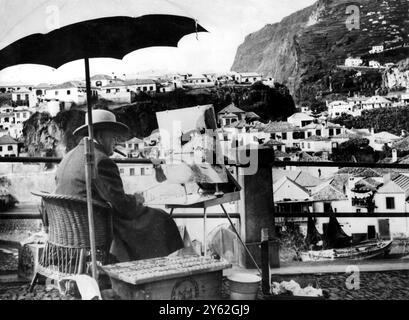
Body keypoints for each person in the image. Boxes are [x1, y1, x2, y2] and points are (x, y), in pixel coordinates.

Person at [55, 109, 184, 262]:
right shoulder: (101, 161)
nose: (116, 140)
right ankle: (153, 271)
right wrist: (136, 199)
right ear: (101, 135)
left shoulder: (69, 156)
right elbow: (122, 207)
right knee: (162, 219)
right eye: (113, 135)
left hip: (68, 231)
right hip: (93, 230)